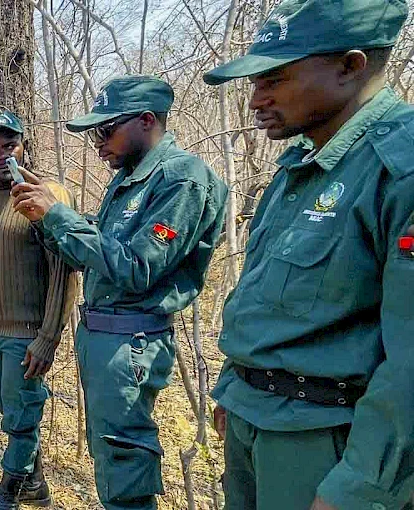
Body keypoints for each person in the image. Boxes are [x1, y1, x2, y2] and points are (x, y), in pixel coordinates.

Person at [202, 1, 414, 509]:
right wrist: (236, 387)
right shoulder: (299, 166)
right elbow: (262, 295)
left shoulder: (398, 170)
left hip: (328, 444)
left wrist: (360, 486)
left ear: (350, 66)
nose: (255, 100)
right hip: (256, 426)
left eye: (273, 79)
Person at [12, 77, 228, 510]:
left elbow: (137, 266)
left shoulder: (181, 179)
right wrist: (47, 217)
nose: (97, 143)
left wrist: (58, 217)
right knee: (109, 455)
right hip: (103, 337)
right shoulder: (129, 177)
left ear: (147, 121)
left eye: (106, 130)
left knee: (124, 460)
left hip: (131, 340)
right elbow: (93, 251)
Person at [0, 113, 76, 504]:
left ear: (23, 147)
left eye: (11, 146)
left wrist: (47, 338)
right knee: (11, 410)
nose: (3, 154)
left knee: (22, 418)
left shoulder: (47, 194)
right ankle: (36, 486)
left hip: (26, 334)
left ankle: (8, 494)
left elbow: (63, 270)